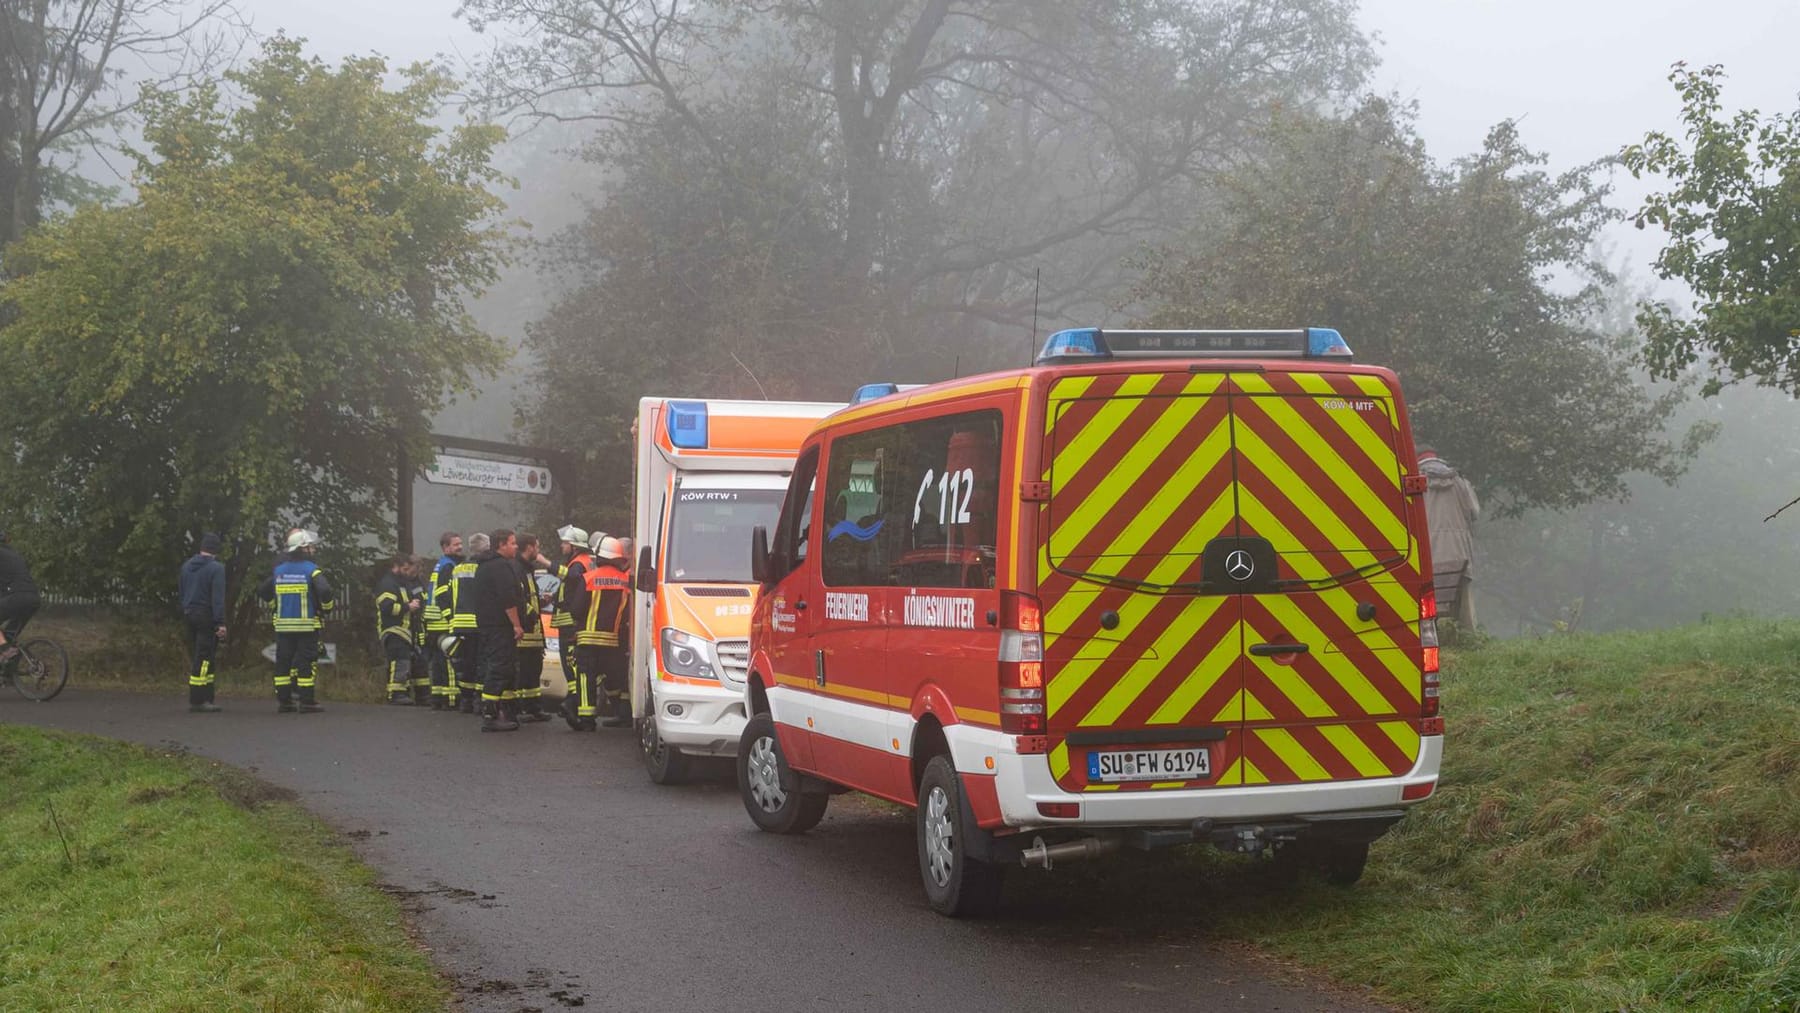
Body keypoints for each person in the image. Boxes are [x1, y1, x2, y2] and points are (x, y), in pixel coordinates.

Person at [257, 529, 334, 713]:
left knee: (283, 662)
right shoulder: (311, 570)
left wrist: (275, 605)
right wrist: (327, 608)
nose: (313, 549)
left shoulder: (279, 571)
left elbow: (262, 590)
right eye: (310, 546)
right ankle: (307, 702)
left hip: (283, 626)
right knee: (306, 662)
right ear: (303, 549)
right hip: (306, 625)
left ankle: (284, 702)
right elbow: (325, 591)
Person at [1419, 446, 1481, 629]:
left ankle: (1432, 636)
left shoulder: (1415, 481)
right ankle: (1467, 638)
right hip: (1459, 551)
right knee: (1464, 602)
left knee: (1426, 597)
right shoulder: (1460, 482)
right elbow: (1474, 512)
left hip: (1428, 552)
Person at [471, 528, 525, 732]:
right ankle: (490, 714)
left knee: (506, 668)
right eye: (512, 543)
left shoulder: (487, 565)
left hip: (490, 625)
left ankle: (507, 711)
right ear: (501, 544)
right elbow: (507, 599)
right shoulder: (500, 567)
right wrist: (517, 624)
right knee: (499, 667)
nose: (516, 546)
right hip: (499, 626)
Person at [584, 534, 635, 729]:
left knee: (619, 674)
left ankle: (623, 714)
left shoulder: (629, 575)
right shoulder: (625, 575)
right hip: (618, 633)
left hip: (621, 633)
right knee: (616, 674)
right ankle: (621, 712)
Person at [177, 532, 227, 713]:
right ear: (216, 550)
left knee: (198, 655)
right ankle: (199, 699)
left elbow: (182, 592)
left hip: (189, 613)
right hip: (206, 616)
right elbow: (218, 598)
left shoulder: (187, 566)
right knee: (205, 657)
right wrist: (220, 623)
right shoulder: (216, 568)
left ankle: (206, 696)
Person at [554, 527, 593, 729]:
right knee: (573, 665)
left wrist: (545, 563)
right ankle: (573, 701)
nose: (562, 546)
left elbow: (572, 578)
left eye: (565, 543)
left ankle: (574, 702)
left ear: (575, 546)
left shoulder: (578, 564)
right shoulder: (583, 561)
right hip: (571, 622)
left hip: (571, 623)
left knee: (571, 664)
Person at [512, 534, 553, 722]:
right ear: (529, 547)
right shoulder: (517, 568)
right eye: (537, 546)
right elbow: (517, 598)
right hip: (525, 632)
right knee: (524, 672)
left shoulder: (527, 569)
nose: (538, 550)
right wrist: (530, 614)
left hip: (534, 633)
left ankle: (533, 707)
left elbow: (528, 597)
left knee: (533, 672)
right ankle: (521, 708)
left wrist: (540, 602)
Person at [375, 554, 422, 705]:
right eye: (405, 569)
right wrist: (408, 606)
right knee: (399, 660)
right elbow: (386, 607)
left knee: (405, 661)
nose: (407, 572)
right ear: (396, 567)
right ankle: (396, 693)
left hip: (404, 630)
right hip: (392, 629)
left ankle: (403, 691)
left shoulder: (401, 583)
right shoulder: (388, 584)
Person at [426, 532, 462, 710]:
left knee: (438, 663)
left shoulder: (440, 565)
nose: (460, 547)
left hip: (433, 622)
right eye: (456, 544)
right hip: (443, 621)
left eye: (460, 543)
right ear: (446, 547)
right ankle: (451, 699)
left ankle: (438, 698)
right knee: (450, 660)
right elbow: (442, 594)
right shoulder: (448, 566)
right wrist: (451, 618)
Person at [449, 532, 485, 713]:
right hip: (478, 622)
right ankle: (479, 700)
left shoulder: (458, 569)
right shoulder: (484, 568)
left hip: (461, 622)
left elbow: (452, 596)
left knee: (466, 662)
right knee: (481, 661)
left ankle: (466, 699)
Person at [0, 529, 42, 673]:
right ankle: (9, 672)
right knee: (9, 635)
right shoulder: (14, 555)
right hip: (33, 598)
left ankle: (6, 650)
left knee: (5, 644)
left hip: (17, 597)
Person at [406, 556, 433, 705]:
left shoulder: (419, 582)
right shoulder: (404, 583)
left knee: (421, 661)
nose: (418, 571)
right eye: (416, 567)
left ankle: (423, 696)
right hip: (409, 625)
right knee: (410, 660)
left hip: (420, 625)